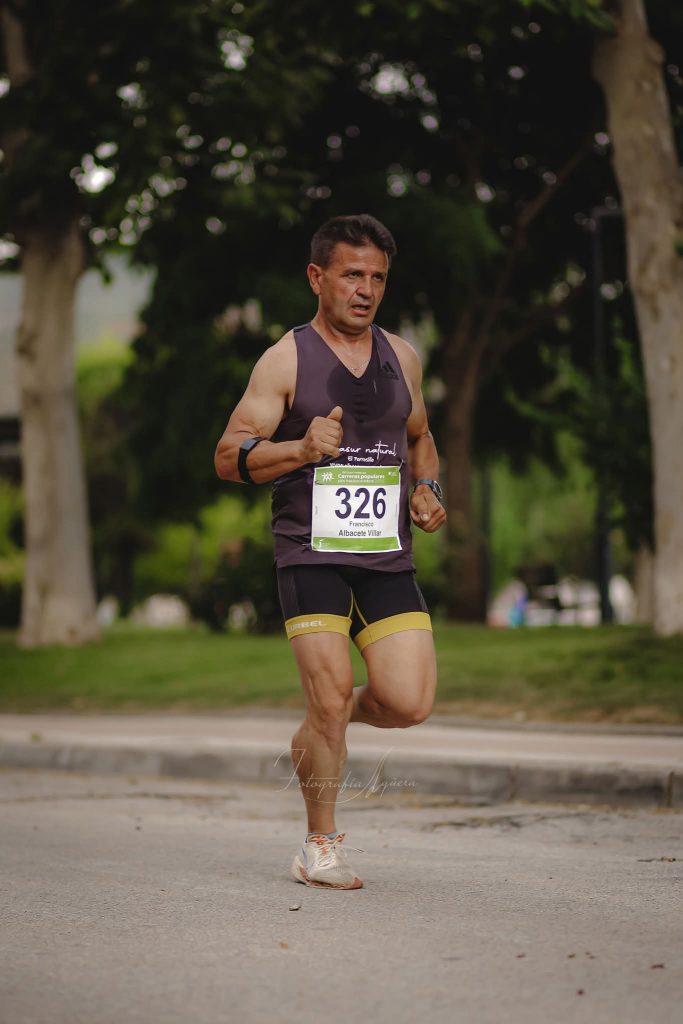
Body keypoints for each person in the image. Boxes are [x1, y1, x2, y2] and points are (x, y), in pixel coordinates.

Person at [214, 214, 446, 889]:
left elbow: (420, 436)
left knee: (409, 702)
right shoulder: (285, 359)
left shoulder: (402, 356)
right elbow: (228, 455)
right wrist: (299, 448)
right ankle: (319, 846)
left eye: (377, 277)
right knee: (330, 691)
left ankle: (323, 721)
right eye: (352, 275)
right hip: (309, 552)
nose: (365, 290)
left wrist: (427, 487)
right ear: (317, 277)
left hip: (385, 554)